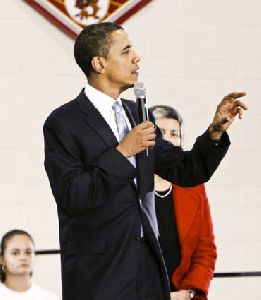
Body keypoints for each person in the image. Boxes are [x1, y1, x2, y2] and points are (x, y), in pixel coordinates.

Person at [43, 22, 247, 300]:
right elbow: (73, 196)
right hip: (99, 275)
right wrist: (122, 153)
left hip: (148, 272)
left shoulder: (137, 113)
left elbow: (185, 171)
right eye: (126, 50)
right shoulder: (64, 122)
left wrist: (215, 132)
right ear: (99, 63)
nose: (137, 57)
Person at [150, 105, 217, 300]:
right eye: (160, 133)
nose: (169, 140)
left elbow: (205, 250)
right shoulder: (127, 186)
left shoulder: (193, 187)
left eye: (174, 134)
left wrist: (189, 291)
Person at [0, 229, 59, 300]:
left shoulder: (49, 297)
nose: (23, 257)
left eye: (28, 252)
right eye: (15, 253)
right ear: (2, 259)